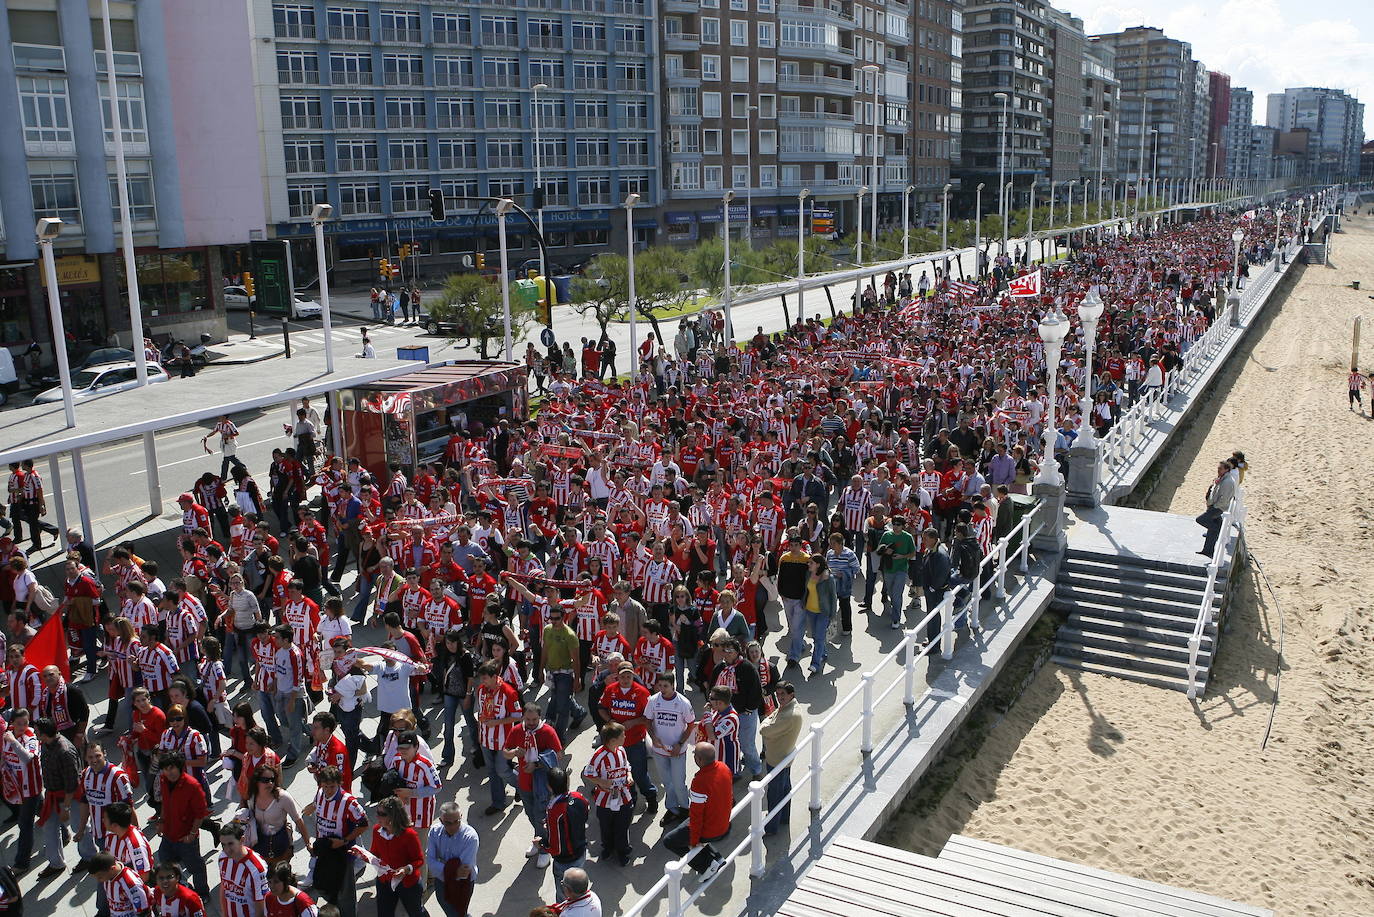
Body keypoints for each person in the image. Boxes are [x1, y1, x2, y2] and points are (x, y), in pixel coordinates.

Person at [661, 742, 732, 883]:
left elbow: (696, 817)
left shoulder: (699, 782)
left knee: (670, 841)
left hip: (711, 829)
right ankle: (716, 857)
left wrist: (694, 842)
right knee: (685, 831)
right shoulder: (724, 768)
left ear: (699, 760)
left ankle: (706, 866)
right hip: (724, 823)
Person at [303, 766, 367, 917]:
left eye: (332, 786)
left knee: (346, 892)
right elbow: (319, 820)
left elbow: (364, 824)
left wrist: (344, 840)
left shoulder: (349, 802)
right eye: (325, 786)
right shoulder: (319, 794)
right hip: (324, 850)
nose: (328, 790)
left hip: (342, 853)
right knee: (325, 885)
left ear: (339, 783)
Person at [501, 704, 561, 859]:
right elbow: (505, 752)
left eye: (534, 719)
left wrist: (537, 763)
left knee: (541, 816)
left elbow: (558, 754)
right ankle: (540, 840)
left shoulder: (548, 731)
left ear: (539, 717)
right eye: (528, 719)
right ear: (523, 717)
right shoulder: (516, 731)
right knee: (531, 814)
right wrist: (513, 752)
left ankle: (544, 849)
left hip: (543, 785)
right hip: (524, 783)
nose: (531, 722)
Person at [158, 751, 212, 902]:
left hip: (186, 838)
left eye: (172, 768)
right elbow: (165, 802)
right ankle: (181, 888)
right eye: (166, 769)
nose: (169, 772)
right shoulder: (163, 780)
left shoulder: (192, 786)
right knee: (165, 865)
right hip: (168, 835)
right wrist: (161, 821)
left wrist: (192, 834)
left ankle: (202, 894)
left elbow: (200, 813)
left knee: (196, 868)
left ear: (180, 767)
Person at [644, 672, 694, 826]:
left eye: (666, 686)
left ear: (673, 685)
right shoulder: (653, 700)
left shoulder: (683, 703)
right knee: (667, 782)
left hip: (677, 751)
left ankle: (685, 808)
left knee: (679, 783)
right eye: (660, 685)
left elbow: (690, 725)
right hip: (659, 751)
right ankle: (672, 809)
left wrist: (679, 744)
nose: (662, 689)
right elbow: (647, 721)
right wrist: (653, 737)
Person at [34, 715, 80, 880]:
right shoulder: (46, 744)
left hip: (69, 797)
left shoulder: (64, 751)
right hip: (52, 795)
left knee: (79, 826)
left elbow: (72, 783)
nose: (34, 732)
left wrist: (66, 808)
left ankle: (89, 857)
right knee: (49, 827)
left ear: (45, 733)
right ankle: (56, 863)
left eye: (37, 730)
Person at [238, 764, 310, 868]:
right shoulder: (252, 796)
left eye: (272, 779)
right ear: (257, 781)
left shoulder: (283, 797)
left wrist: (308, 844)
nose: (270, 783)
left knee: (280, 878)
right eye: (265, 780)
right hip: (260, 844)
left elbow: (298, 820)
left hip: (281, 844)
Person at [582, 722, 633, 866]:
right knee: (606, 825)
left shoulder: (622, 750)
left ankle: (622, 851)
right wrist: (602, 782)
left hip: (623, 796)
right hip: (604, 799)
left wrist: (629, 775)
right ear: (612, 740)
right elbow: (588, 773)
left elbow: (627, 765)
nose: (625, 737)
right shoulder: (599, 755)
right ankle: (608, 848)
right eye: (622, 735)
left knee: (622, 826)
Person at [368, 796, 425, 917]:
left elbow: (419, 860)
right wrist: (363, 855)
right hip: (385, 881)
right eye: (377, 812)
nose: (377, 816)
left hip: (408, 884)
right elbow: (375, 853)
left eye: (381, 814)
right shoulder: (376, 830)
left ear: (393, 816)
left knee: (415, 913)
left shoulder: (409, 835)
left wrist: (405, 869)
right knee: (384, 913)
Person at [758, 682, 802, 835]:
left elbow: (765, 730)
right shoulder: (790, 708)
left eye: (783, 694)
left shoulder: (788, 715)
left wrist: (766, 722)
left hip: (777, 760)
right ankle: (783, 819)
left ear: (792, 695)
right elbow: (773, 716)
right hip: (784, 758)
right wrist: (769, 720)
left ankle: (771, 828)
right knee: (784, 790)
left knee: (775, 794)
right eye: (778, 694)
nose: (780, 697)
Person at [426, 801, 479, 917]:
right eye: (448, 823)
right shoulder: (434, 832)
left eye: (456, 822)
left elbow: (464, 872)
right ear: (441, 821)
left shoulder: (470, 837)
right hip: (442, 882)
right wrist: (453, 869)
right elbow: (430, 861)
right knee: (452, 912)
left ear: (461, 817)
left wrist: (441, 865)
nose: (453, 826)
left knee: (458, 913)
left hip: (463, 884)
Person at [541, 767, 588, 891]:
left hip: (565, 861)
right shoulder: (579, 797)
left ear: (550, 787)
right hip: (581, 851)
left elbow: (556, 847)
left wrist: (541, 844)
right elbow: (583, 815)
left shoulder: (555, 811)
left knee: (565, 896)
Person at [217, 821, 270, 917]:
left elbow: (261, 905)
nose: (226, 849)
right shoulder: (222, 858)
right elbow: (224, 888)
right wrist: (224, 914)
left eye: (230, 844)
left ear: (242, 840)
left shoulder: (256, 869)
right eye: (223, 844)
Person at [84, 851, 153, 917]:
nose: (98, 880)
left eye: (100, 877)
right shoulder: (108, 878)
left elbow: (144, 910)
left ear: (112, 869)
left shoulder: (130, 883)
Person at [1197, 458, 1239, 556]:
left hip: (1218, 508)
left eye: (1220, 469)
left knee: (1200, 520)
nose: (1218, 471)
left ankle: (1218, 531)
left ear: (1227, 470)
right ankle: (1208, 550)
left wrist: (1213, 506)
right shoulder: (1222, 478)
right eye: (1218, 468)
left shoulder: (1227, 482)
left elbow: (1224, 500)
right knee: (1211, 529)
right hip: (1214, 506)